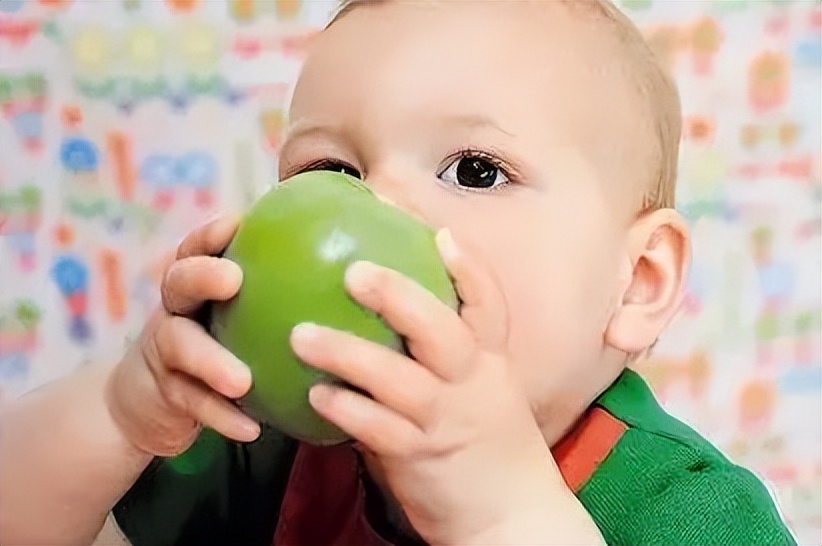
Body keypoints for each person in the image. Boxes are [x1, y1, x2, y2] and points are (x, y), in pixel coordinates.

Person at [0, 1, 796, 545]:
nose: (376, 206)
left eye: (477, 170)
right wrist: (121, 416)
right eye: (332, 173)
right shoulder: (264, 449)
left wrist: (497, 513)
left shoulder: (687, 507)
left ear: (639, 282)